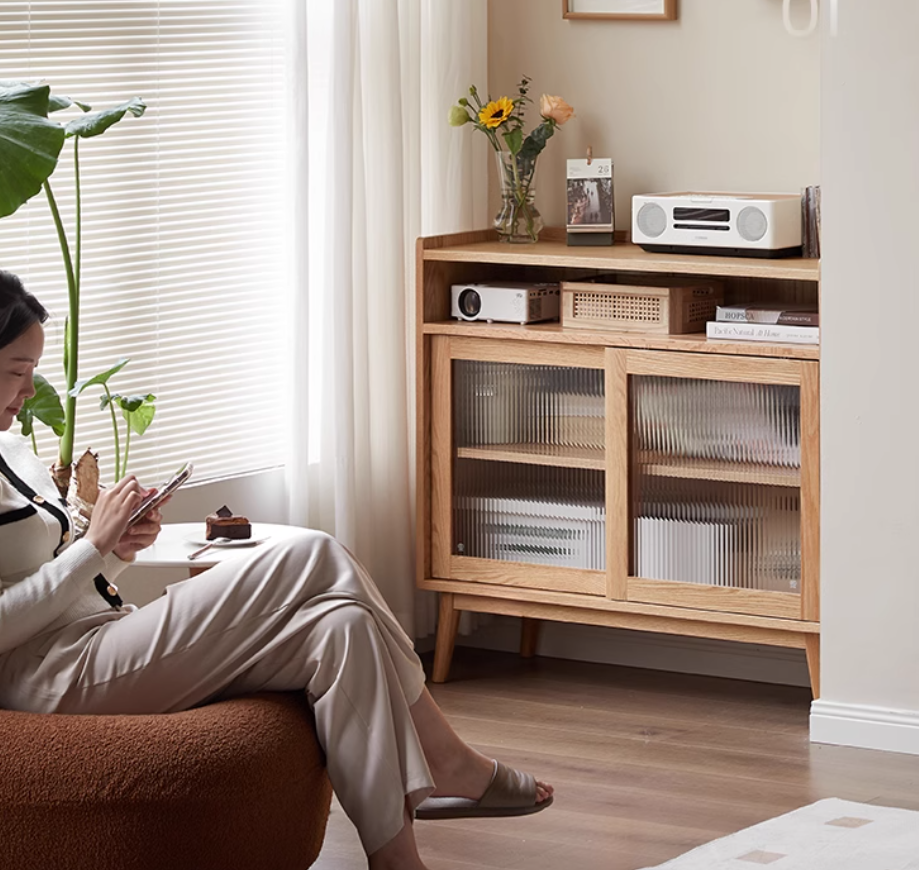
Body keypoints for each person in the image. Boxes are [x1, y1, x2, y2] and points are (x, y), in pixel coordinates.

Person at [0, 271, 553, 870]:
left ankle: (397, 860)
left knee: (341, 626)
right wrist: (93, 545)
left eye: (33, 370)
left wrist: (116, 550)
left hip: (100, 637)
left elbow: (60, 575)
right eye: (14, 372)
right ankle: (447, 759)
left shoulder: (14, 451)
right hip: (48, 676)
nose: (30, 391)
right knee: (315, 554)